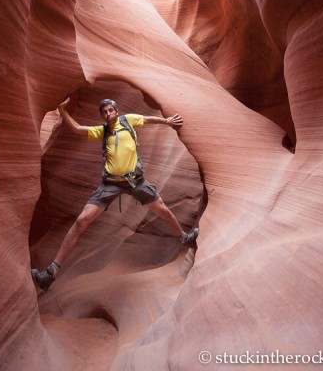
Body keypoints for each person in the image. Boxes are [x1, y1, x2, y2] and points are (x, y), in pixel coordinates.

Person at [31, 97, 199, 291]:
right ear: (102, 115)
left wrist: (167, 121)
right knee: (81, 221)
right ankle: (50, 273)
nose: (108, 114)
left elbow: (146, 119)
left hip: (135, 181)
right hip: (110, 184)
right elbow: (77, 129)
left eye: (111, 110)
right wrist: (61, 109)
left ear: (116, 111)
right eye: (104, 112)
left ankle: (185, 238)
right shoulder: (102, 131)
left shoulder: (128, 121)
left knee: (163, 210)